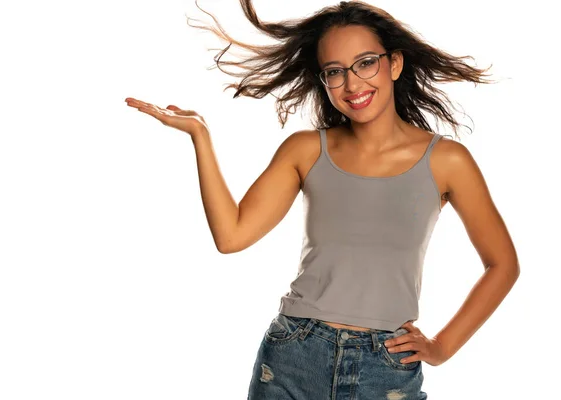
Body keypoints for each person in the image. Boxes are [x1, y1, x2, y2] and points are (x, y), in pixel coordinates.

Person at [125, 0, 520, 398]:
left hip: (386, 366)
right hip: (293, 355)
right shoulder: (305, 150)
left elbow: (502, 265)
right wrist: (201, 136)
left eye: (366, 63)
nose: (352, 84)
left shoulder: (448, 160)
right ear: (324, 81)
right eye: (335, 72)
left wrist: (442, 347)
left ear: (394, 64)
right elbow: (231, 237)